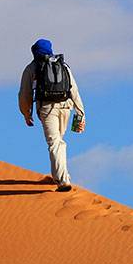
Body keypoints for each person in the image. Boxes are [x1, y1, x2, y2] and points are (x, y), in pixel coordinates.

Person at [18, 38, 86, 192]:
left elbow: (25, 93)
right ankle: (59, 175)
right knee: (58, 141)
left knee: (55, 143)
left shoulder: (32, 68)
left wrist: (26, 113)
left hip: (47, 109)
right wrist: (80, 112)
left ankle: (62, 180)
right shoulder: (62, 65)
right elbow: (74, 89)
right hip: (66, 106)